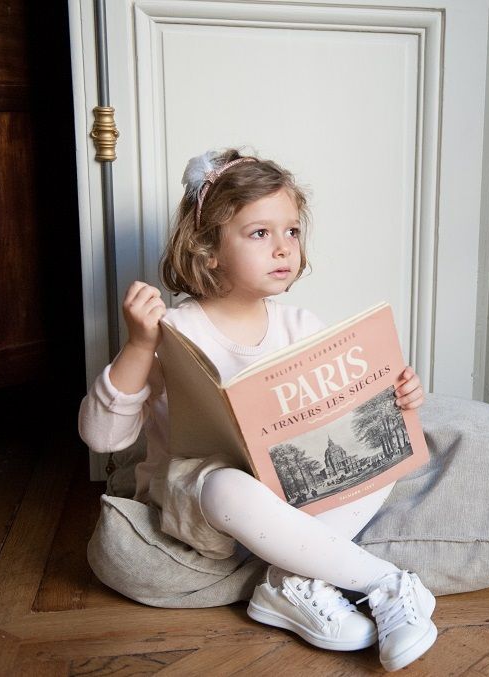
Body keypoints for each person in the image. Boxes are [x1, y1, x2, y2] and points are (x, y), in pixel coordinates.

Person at [79, 149, 437, 672]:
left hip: (294, 491)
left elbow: (337, 419)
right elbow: (101, 437)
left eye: (291, 231)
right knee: (229, 483)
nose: (283, 249)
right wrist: (138, 346)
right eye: (259, 233)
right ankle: (385, 583)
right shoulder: (177, 333)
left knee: (385, 449)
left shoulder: (301, 326)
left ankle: (289, 583)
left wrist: (396, 399)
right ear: (208, 251)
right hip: (207, 499)